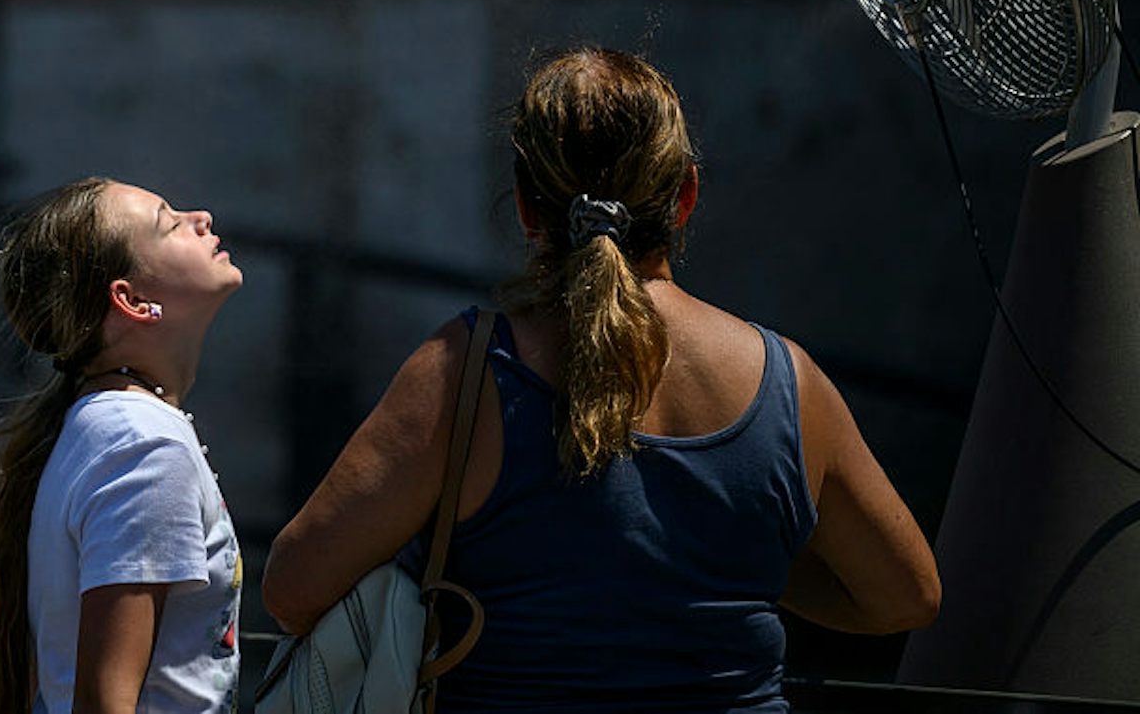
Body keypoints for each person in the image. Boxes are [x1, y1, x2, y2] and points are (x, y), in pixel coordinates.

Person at [262, 47, 940, 712]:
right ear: (685, 197)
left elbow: (293, 589)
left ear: (528, 207)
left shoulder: (462, 373)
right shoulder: (791, 383)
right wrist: (722, 563)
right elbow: (906, 595)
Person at [0, 176, 246, 714]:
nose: (201, 217)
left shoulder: (107, 427)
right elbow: (104, 701)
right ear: (132, 301)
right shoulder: (144, 446)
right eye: (170, 224)